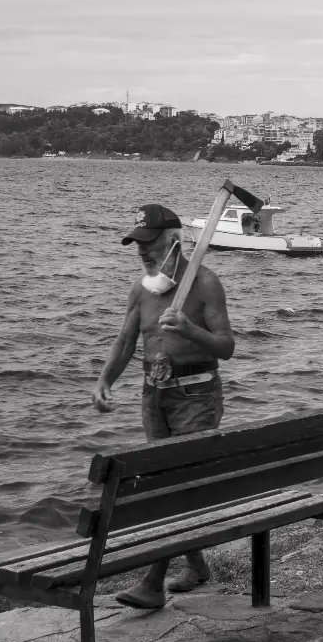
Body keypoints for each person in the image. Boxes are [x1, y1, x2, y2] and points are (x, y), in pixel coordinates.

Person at [92, 203, 235, 609]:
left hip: (196, 393)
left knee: (175, 486)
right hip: (153, 393)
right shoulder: (141, 289)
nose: (142, 251)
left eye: (149, 243)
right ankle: (196, 566)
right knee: (167, 480)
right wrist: (105, 380)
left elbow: (227, 347)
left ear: (173, 241)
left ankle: (153, 582)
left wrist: (190, 329)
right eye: (137, 244)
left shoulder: (205, 283)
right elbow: (125, 341)